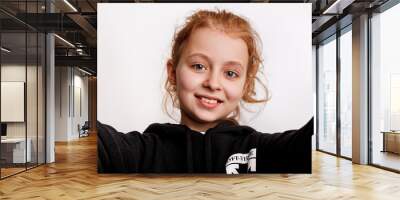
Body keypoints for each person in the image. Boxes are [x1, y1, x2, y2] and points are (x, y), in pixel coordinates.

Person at [97, 9, 313, 174]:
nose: (213, 83)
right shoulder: (139, 152)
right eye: (199, 66)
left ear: (245, 85)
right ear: (172, 73)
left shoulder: (261, 149)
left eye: (230, 73)